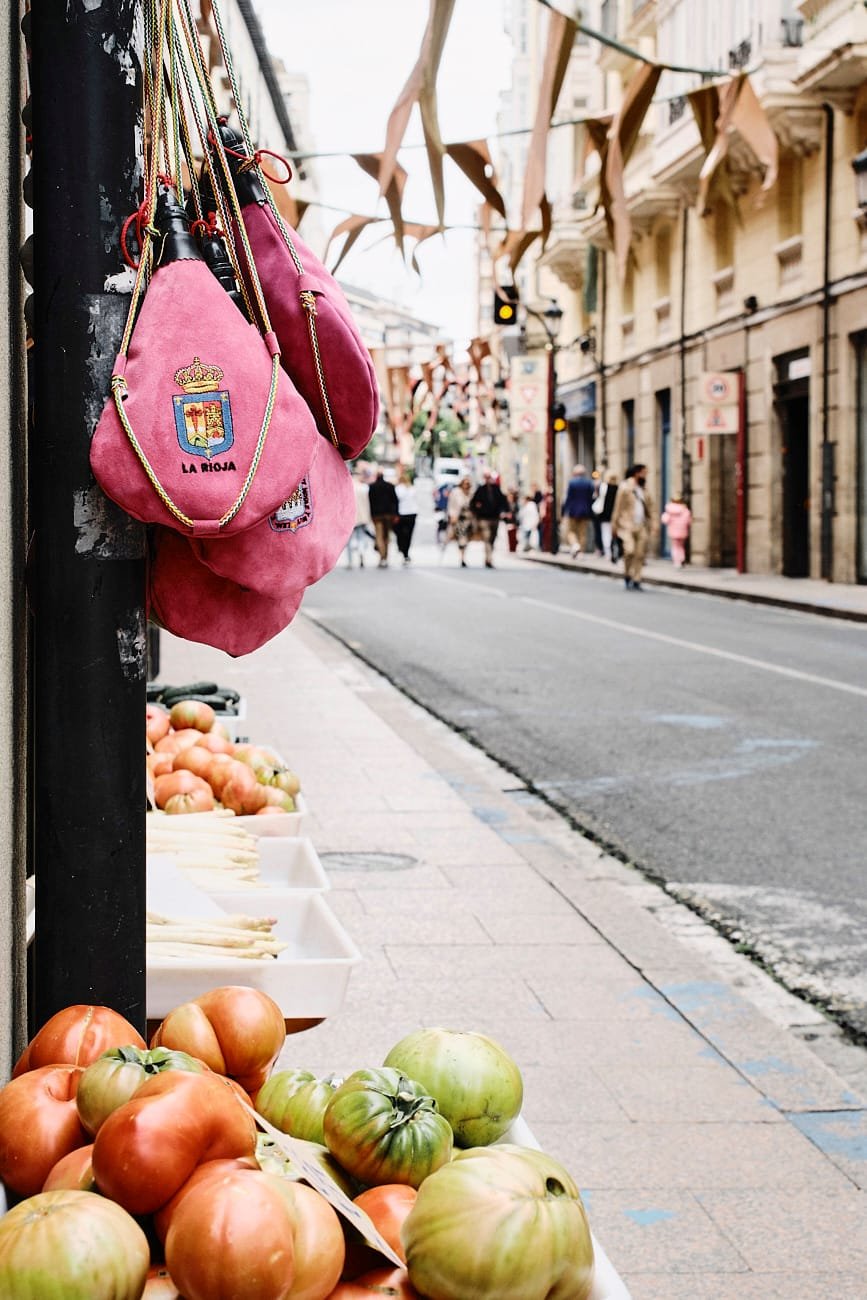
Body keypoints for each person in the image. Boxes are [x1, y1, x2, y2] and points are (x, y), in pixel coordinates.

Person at [611, 463, 654, 590]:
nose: (645, 476)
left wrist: (654, 523)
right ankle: (627, 574)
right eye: (644, 473)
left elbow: (651, 508)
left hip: (641, 525)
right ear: (637, 473)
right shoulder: (624, 487)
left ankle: (637, 578)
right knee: (629, 551)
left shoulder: (644, 489)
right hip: (626, 525)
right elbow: (617, 507)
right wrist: (614, 525)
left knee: (640, 553)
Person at [470, 469, 508, 568]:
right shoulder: (480, 490)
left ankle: (489, 556)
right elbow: (473, 503)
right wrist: (478, 511)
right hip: (484, 518)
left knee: (492, 538)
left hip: (494, 518)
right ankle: (489, 558)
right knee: (487, 537)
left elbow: (503, 501)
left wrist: (503, 512)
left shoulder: (496, 489)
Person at [368, 467, 399, 568]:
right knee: (387, 536)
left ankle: (382, 557)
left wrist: (371, 515)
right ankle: (385, 557)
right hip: (388, 515)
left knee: (379, 536)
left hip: (377, 516)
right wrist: (395, 514)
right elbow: (395, 501)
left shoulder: (372, 487)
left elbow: (370, 503)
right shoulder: (390, 486)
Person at [561, 464, 595, 557]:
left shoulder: (572, 483)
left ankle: (575, 545)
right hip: (585, 511)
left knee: (570, 531)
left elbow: (568, 498)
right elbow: (591, 498)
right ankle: (581, 552)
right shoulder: (589, 483)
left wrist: (564, 512)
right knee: (582, 533)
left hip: (573, 511)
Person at [346, 466, 372, 568]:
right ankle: (361, 556)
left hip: (350, 518)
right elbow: (367, 504)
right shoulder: (364, 487)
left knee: (349, 540)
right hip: (362, 517)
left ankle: (350, 561)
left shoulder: (347, 487)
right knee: (361, 538)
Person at [447, 475, 475, 567]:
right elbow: (451, 505)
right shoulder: (456, 492)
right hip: (459, 519)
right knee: (462, 538)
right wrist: (452, 516)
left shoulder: (471, 493)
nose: (466, 485)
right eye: (465, 483)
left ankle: (463, 553)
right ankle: (462, 557)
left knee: (467, 538)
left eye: (468, 483)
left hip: (469, 519)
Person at [661, 493, 692, 568]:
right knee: (681, 546)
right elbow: (689, 521)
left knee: (675, 546)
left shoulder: (669, 510)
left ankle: (676, 561)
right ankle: (681, 559)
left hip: (673, 531)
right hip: (682, 531)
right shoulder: (685, 510)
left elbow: (665, 520)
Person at [395, 469, 418, 566]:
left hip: (402, 513)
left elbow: (397, 499)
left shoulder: (398, 488)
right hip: (412, 513)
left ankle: (403, 550)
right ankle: (405, 552)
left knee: (401, 533)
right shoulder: (412, 488)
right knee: (408, 534)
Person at [593, 471, 619, 561]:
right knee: (615, 534)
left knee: (606, 534)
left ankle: (608, 552)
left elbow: (596, 497)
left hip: (605, 515)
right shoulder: (618, 488)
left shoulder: (603, 487)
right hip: (616, 515)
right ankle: (615, 551)